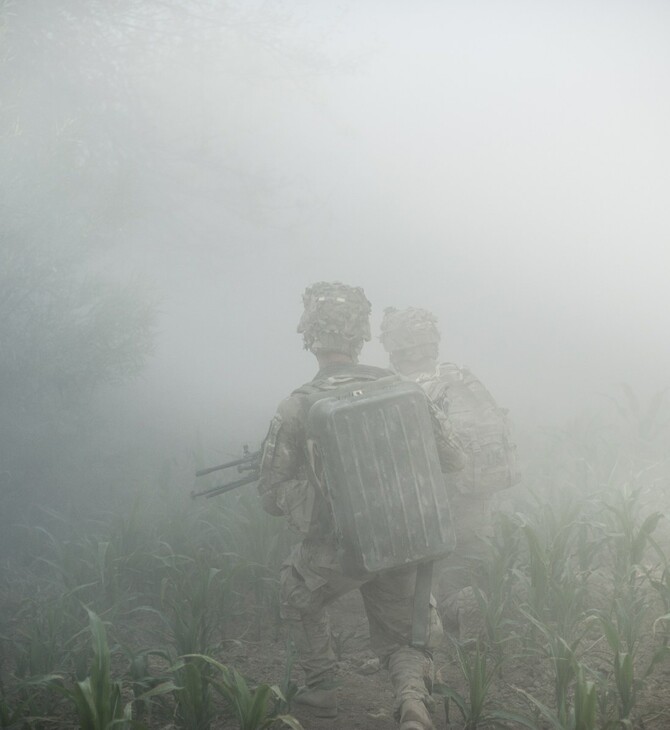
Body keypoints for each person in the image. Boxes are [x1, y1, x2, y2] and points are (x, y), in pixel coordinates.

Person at [257, 282, 464, 730]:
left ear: (311, 338)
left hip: (337, 552)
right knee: (402, 633)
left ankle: (319, 698)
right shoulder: (405, 390)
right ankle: (413, 702)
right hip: (402, 536)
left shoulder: (297, 404)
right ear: (360, 337)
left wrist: (316, 503)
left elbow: (271, 493)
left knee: (296, 596)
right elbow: (453, 457)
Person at [379, 307, 520, 641]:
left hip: (433, 499)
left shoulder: (398, 388)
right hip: (477, 493)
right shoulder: (459, 378)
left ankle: (439, 624)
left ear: (395, 346)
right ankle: (475, 613)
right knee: (468, 561)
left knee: (423, 575)